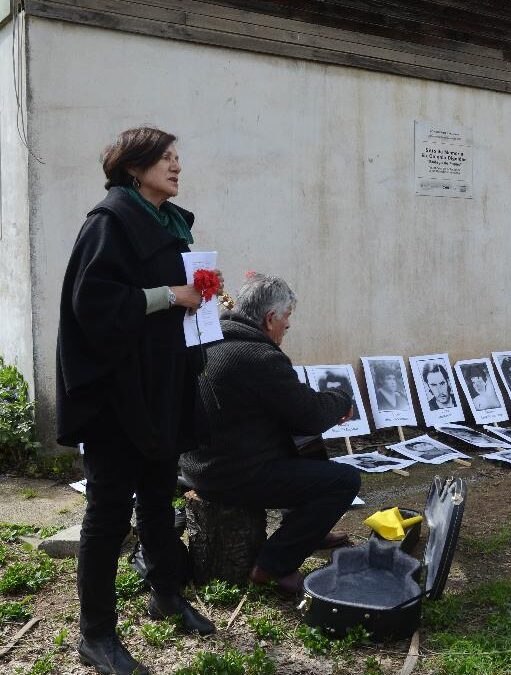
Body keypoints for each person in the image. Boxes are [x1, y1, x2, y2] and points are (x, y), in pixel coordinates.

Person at [56, 127, 216, 674]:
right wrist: (172, 295)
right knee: (107, 513)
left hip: (160, 384)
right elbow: (93, 304)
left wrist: (198, 300)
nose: (176, 166)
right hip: (116, 393)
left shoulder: (168, 223)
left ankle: (165, 594)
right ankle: (95, 635)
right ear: (133, 168)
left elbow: (168, 301)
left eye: (177, 157)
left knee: (156, 495)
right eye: (165, 159)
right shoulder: (109, 223)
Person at [179, 274, 361, 597]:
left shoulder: (213, 339)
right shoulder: (259, 357)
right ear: (269, 318)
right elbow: (310, 415)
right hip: (231, 475)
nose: (286, 330)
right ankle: (273, 565)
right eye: (286, 321)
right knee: (345, 481)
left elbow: (292, 409)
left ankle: (308, 531)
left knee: (303, 446)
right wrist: (341, 400)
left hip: (199, 466)